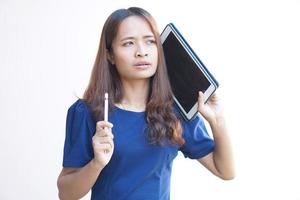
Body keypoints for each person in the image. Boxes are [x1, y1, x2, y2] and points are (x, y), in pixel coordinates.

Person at [57, 7, 235, 200]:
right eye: (128, 43)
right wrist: (97, 164)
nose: (141, 52)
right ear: (110, 55)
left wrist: (218, 122)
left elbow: (225, 171)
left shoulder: (175, 112)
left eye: (150, 42)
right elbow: (66, 194)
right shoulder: (87, 112)